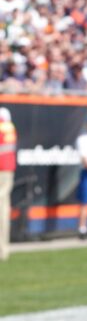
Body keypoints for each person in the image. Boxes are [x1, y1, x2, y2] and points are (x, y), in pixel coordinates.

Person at [0, 107, 16, 261]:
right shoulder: (10, 127)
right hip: (8, 169)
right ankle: (4, 249)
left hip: (1, 169)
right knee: (4, 207)